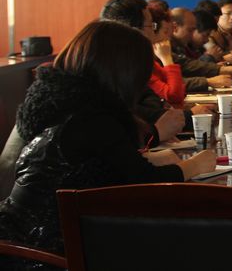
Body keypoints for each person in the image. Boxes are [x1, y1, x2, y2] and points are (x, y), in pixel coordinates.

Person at [0, 21, 215, 270]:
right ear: (124, 73)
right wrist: (194, 165)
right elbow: (142, 182)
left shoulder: (63, 101)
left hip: (21, 237)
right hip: (39, 254)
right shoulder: (92, 117)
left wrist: (151, 157)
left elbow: (91, 166)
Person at [100, 0, 213, 140]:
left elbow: (160, 99)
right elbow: (171, 96)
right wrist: (167, 59)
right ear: (134, 29)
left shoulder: (139, 60)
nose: (168, 37)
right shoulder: (119, 66)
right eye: (152, 26)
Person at [169, 7, 232, 92]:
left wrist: (221, 69)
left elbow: (188, 65)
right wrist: (209, 81)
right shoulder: (163, 48)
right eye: (190, 30)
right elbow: (171, 82)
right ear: (175, 27)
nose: (192, 35)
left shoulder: (178, 47)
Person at [147, 4, 185, 106]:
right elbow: (174, 96)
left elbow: (180, 90)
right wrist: (167, 58)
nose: (168, 38)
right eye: (165, 32)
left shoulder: (152, 62)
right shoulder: (141, 64)